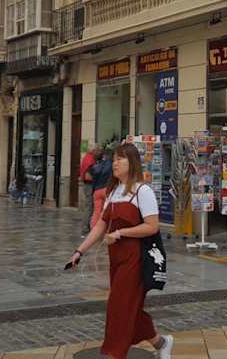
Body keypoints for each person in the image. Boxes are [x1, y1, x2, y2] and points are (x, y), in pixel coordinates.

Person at [71, 143, 173, 359]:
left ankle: (114, 353)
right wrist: (80, 251)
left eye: (120, 159)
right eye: (114, 159)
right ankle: (161, 342)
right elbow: (101, 225)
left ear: (132, 162)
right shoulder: (114, 191)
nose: (114, 163)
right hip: (116, 258)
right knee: (128, 306)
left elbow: (152, 226)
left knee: (119, 306)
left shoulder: (143, 191)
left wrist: (121, 233)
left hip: (135, 258)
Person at [89, 149, 112, 230]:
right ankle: (105, 228)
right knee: (106, 210)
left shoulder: (93, 167)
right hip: (106, 189)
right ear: (102, 156)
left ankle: (94, 228)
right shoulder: (109, 163)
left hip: (97, 190)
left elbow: (92, 179)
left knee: (96, 211)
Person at [79, 146, 97, 235]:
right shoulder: (90, 160)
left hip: (86, 184)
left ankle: (86, 226)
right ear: (93, 151)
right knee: (89, 206)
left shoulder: (86, 157)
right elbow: (88, 176)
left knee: (89, 206)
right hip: (89, 185)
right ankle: (85, 227)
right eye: (96, 150)